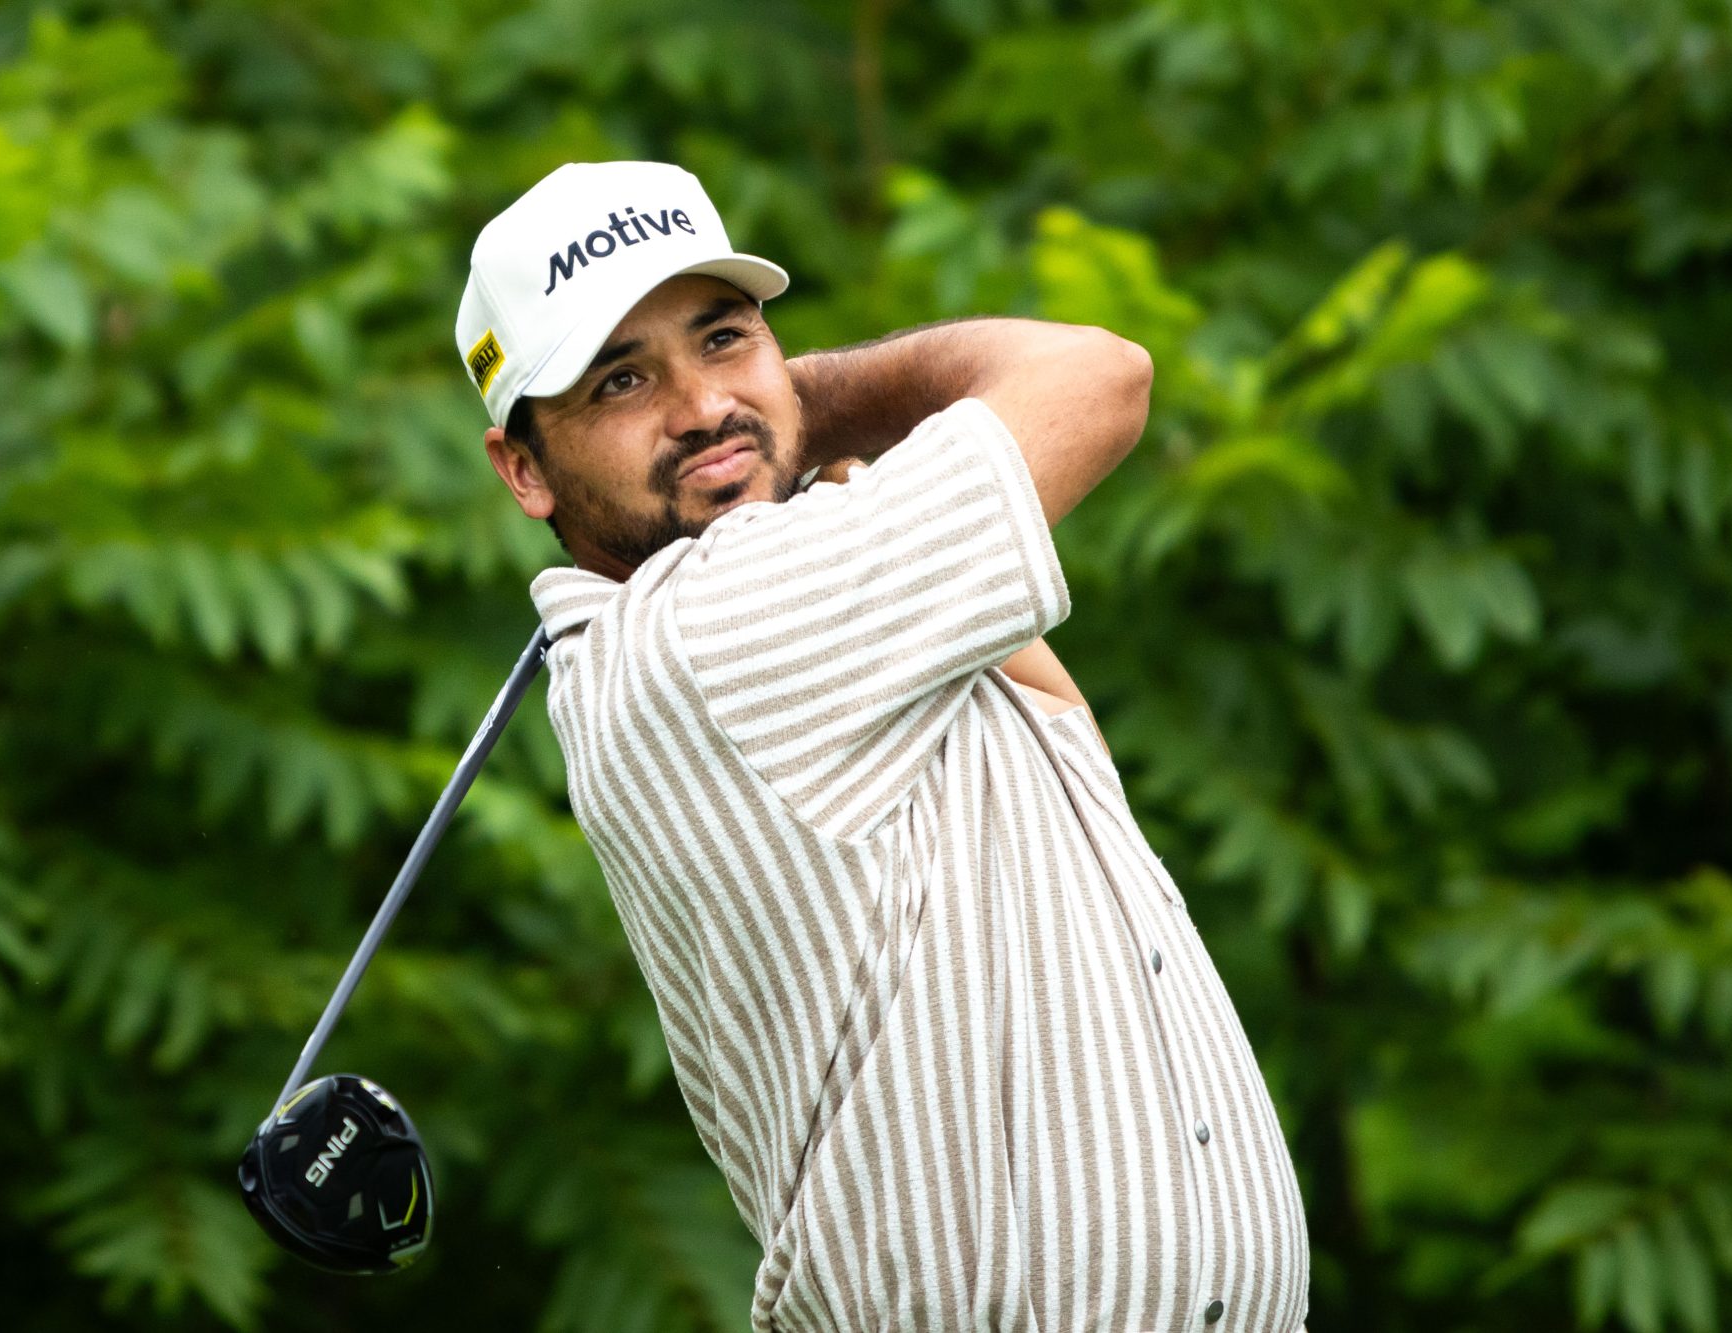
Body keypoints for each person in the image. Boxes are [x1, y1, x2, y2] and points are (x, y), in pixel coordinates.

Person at [456, 160, 1310, 1333]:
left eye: (723, 339)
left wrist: (788, 451)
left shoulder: (823, 610)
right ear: (523, 470)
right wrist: (809, 403)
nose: (702, 406)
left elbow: (1052, 726)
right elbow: (1100, 377)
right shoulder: (714, 628)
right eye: (619, 380)